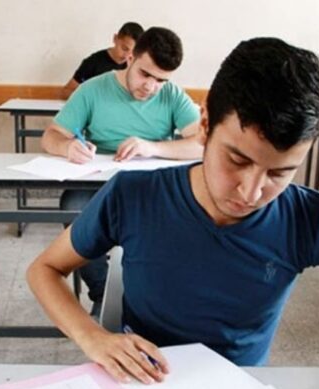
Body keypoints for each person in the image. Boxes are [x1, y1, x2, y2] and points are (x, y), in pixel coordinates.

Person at [29, 37, 319, 389]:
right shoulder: (134, 195)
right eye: (237, 160)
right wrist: (92, 337)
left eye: (280, 173)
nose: (251, 192)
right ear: (205, 124)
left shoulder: (312, 219)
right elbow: (44, 269)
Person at [41, 27, 201, 316]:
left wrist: (152, 147)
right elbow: (51, 136)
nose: (150, 86)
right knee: (73, 207)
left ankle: (149, 296)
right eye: (145, 74)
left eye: (161, 80)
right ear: (130, 58)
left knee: (179, 216)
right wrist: (67, 147)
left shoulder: (173, 96)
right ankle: (103, 293)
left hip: (151, 184)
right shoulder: (93, 90)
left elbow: (203, 145)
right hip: (96, 182)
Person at [60, 22, 144, 99]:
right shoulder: (93, 62)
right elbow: (66, 92)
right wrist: (90, 99)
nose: (127, 56)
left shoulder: (135, 66)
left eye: (133, 52)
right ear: (115, 38)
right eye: (124, 48)